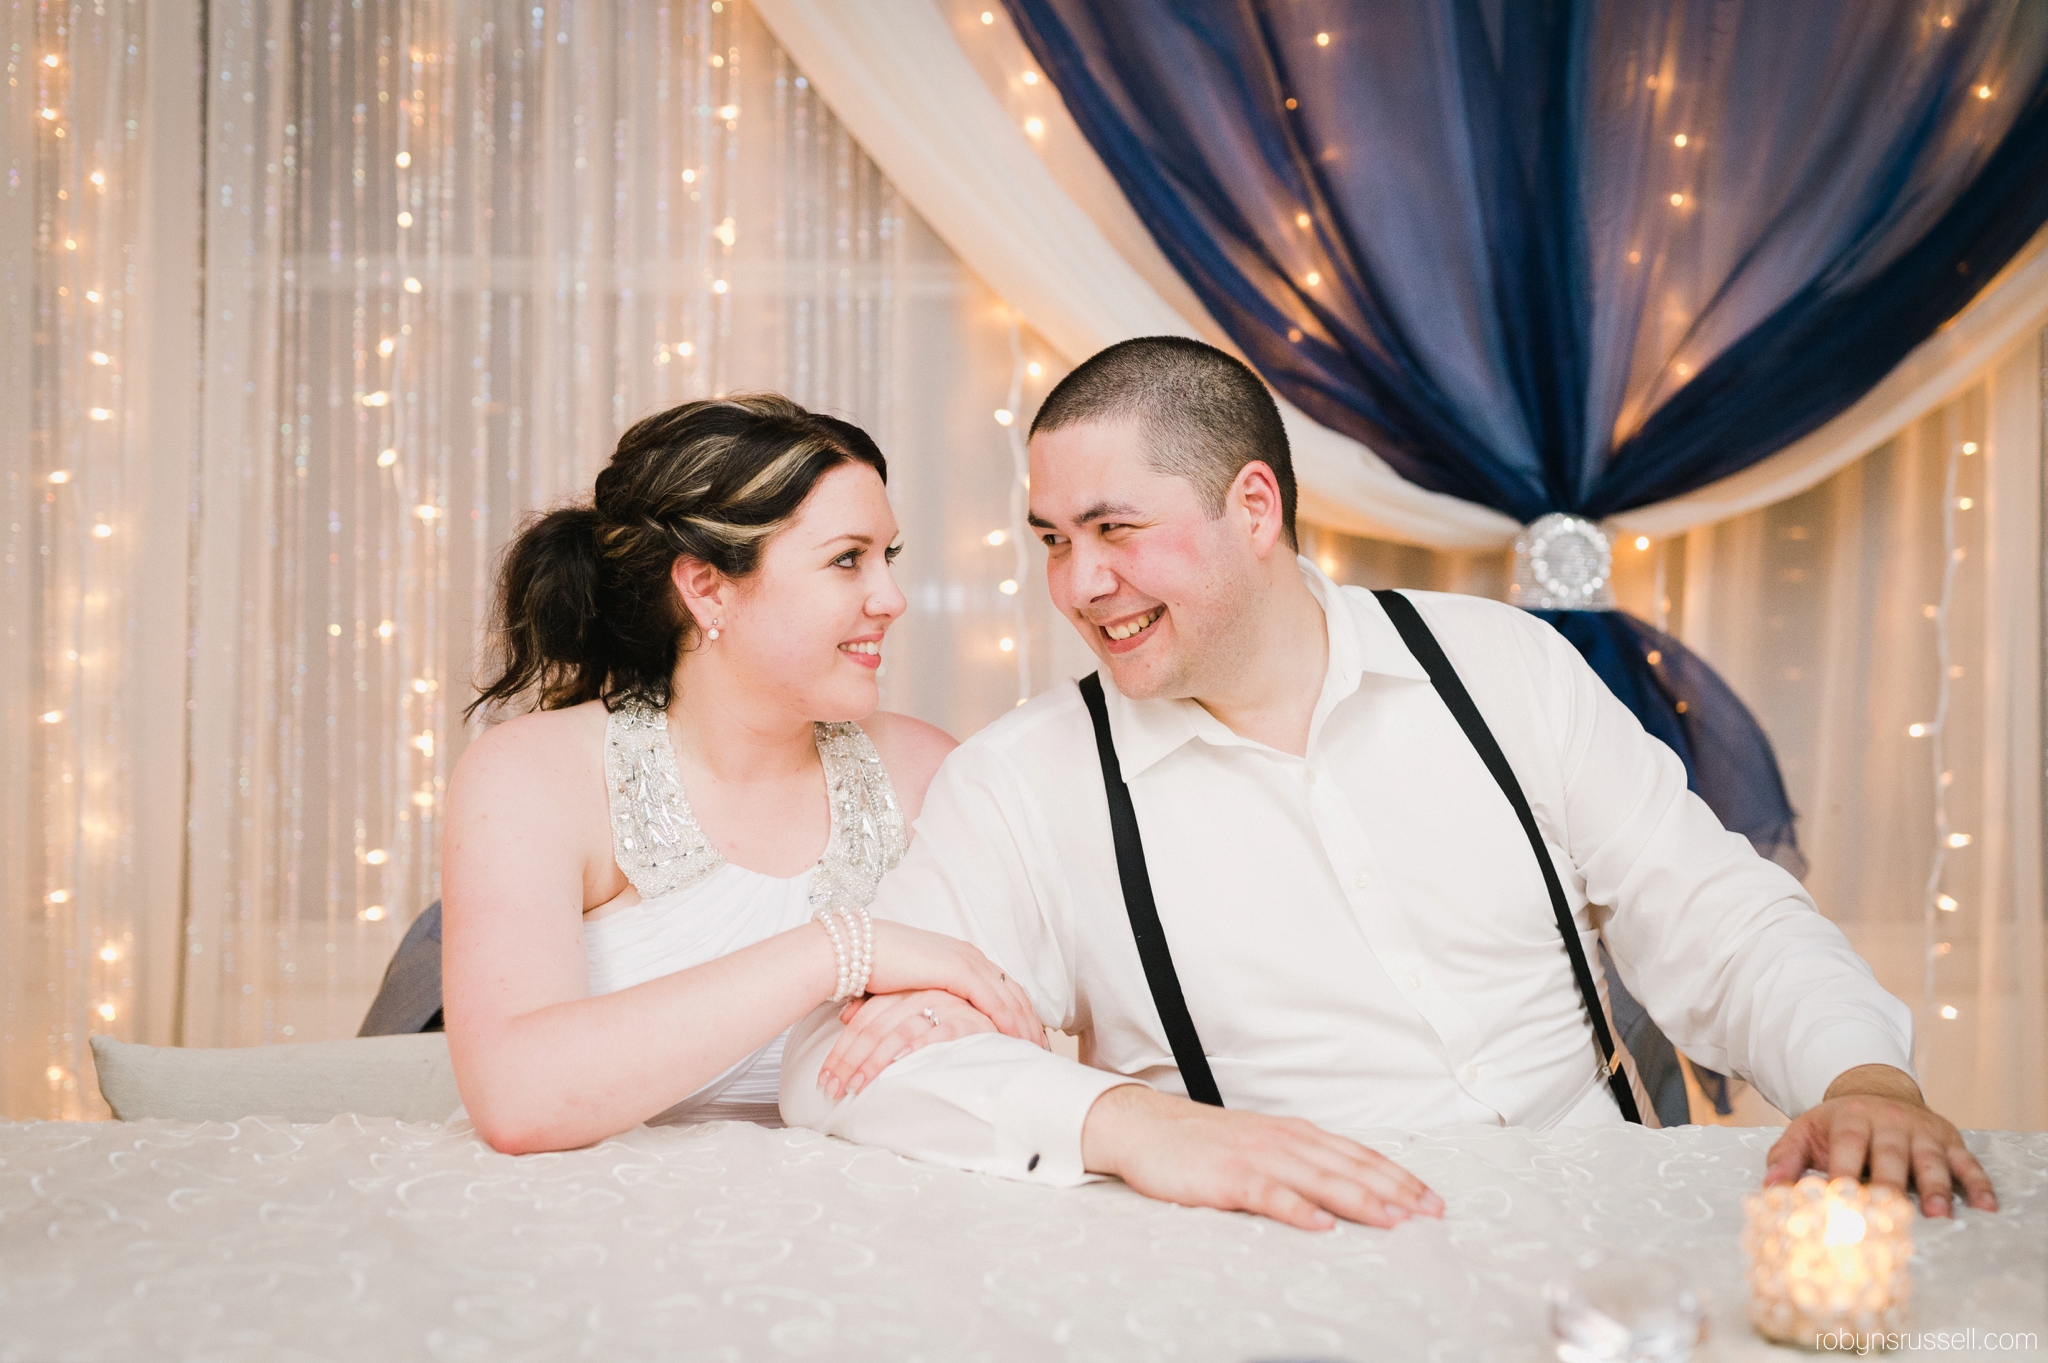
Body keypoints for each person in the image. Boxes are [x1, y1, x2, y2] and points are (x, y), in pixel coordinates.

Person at [780, 337, 1999, 1231]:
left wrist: (1862, 1076)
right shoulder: (1023, 780)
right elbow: (847, 1074)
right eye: (1051, 539)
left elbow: (1714, 915)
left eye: (1113, 529)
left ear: (1251, 506)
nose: (1077, 583)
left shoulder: (1500, 663)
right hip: (1297, 1274)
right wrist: (1134, 1123)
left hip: (1612, 1240)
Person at [439, 394, 1042, 1154]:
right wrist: (841, 949)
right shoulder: (533, 775)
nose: (891, 598)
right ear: (707, 588)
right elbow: (515, 1098)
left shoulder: (926, 770)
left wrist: (967, 1022)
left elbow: (1028, 1033)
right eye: (846, 559)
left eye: (885, 557)